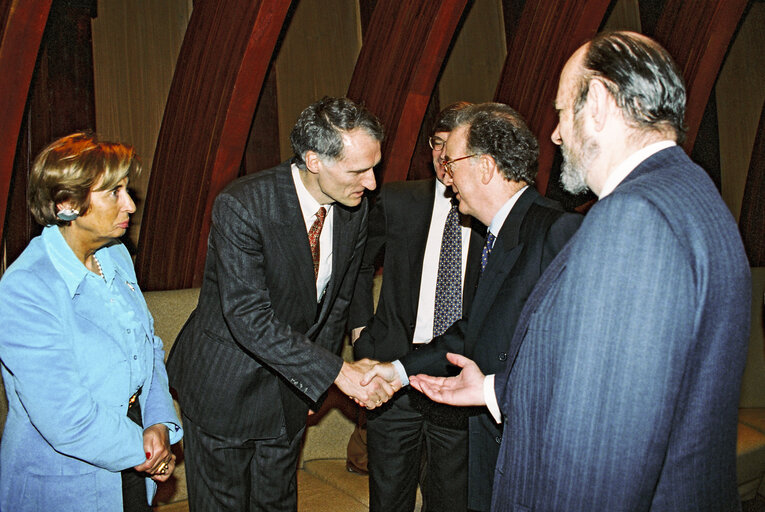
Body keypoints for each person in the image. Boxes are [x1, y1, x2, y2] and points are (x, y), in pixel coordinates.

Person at [409, 31, 752, 511]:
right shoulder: (692, 193)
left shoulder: (634, 218)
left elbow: (601, 448)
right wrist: (491, 388)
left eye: (563, 111)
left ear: (601, 104)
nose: (555, 134)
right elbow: (624, 382)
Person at [166, 96, 397, 511]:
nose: (372, 183)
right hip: (225, 387)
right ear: (314, 160)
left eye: (374, 167)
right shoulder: (243, 205)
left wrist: (312, 387)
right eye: (358, 170)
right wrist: (335, 374)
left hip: (289, 389)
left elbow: (337, 304)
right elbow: (248, 318)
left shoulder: (353, 209)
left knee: (277, 503)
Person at [363, 102, 582, 511]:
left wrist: (488, 390)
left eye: (453, 162)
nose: (447, 175)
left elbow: (573, 365)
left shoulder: (554, 231)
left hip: (525, 456)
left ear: (484, 167)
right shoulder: (501, 235)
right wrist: (397, 370)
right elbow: (472, 330)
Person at [0, 132, 183, 511]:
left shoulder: (115, 254)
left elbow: (148, 348)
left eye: (126, 190)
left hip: (135, 457)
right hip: (66, 481)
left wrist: (160, 423)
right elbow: (66, 418)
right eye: (113, 193)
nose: (130, 205)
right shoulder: (25, 288)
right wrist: (147, 452)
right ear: (66, 203)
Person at [348, 102, 486, 511]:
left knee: (450, 501)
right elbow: (356, 267)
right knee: (388, 498)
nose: (445, 158)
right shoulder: (396, 199)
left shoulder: (488, 211)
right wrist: (361, 333)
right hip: (391, 376)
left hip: (458, 379)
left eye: (455, 147)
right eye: (437, 144)